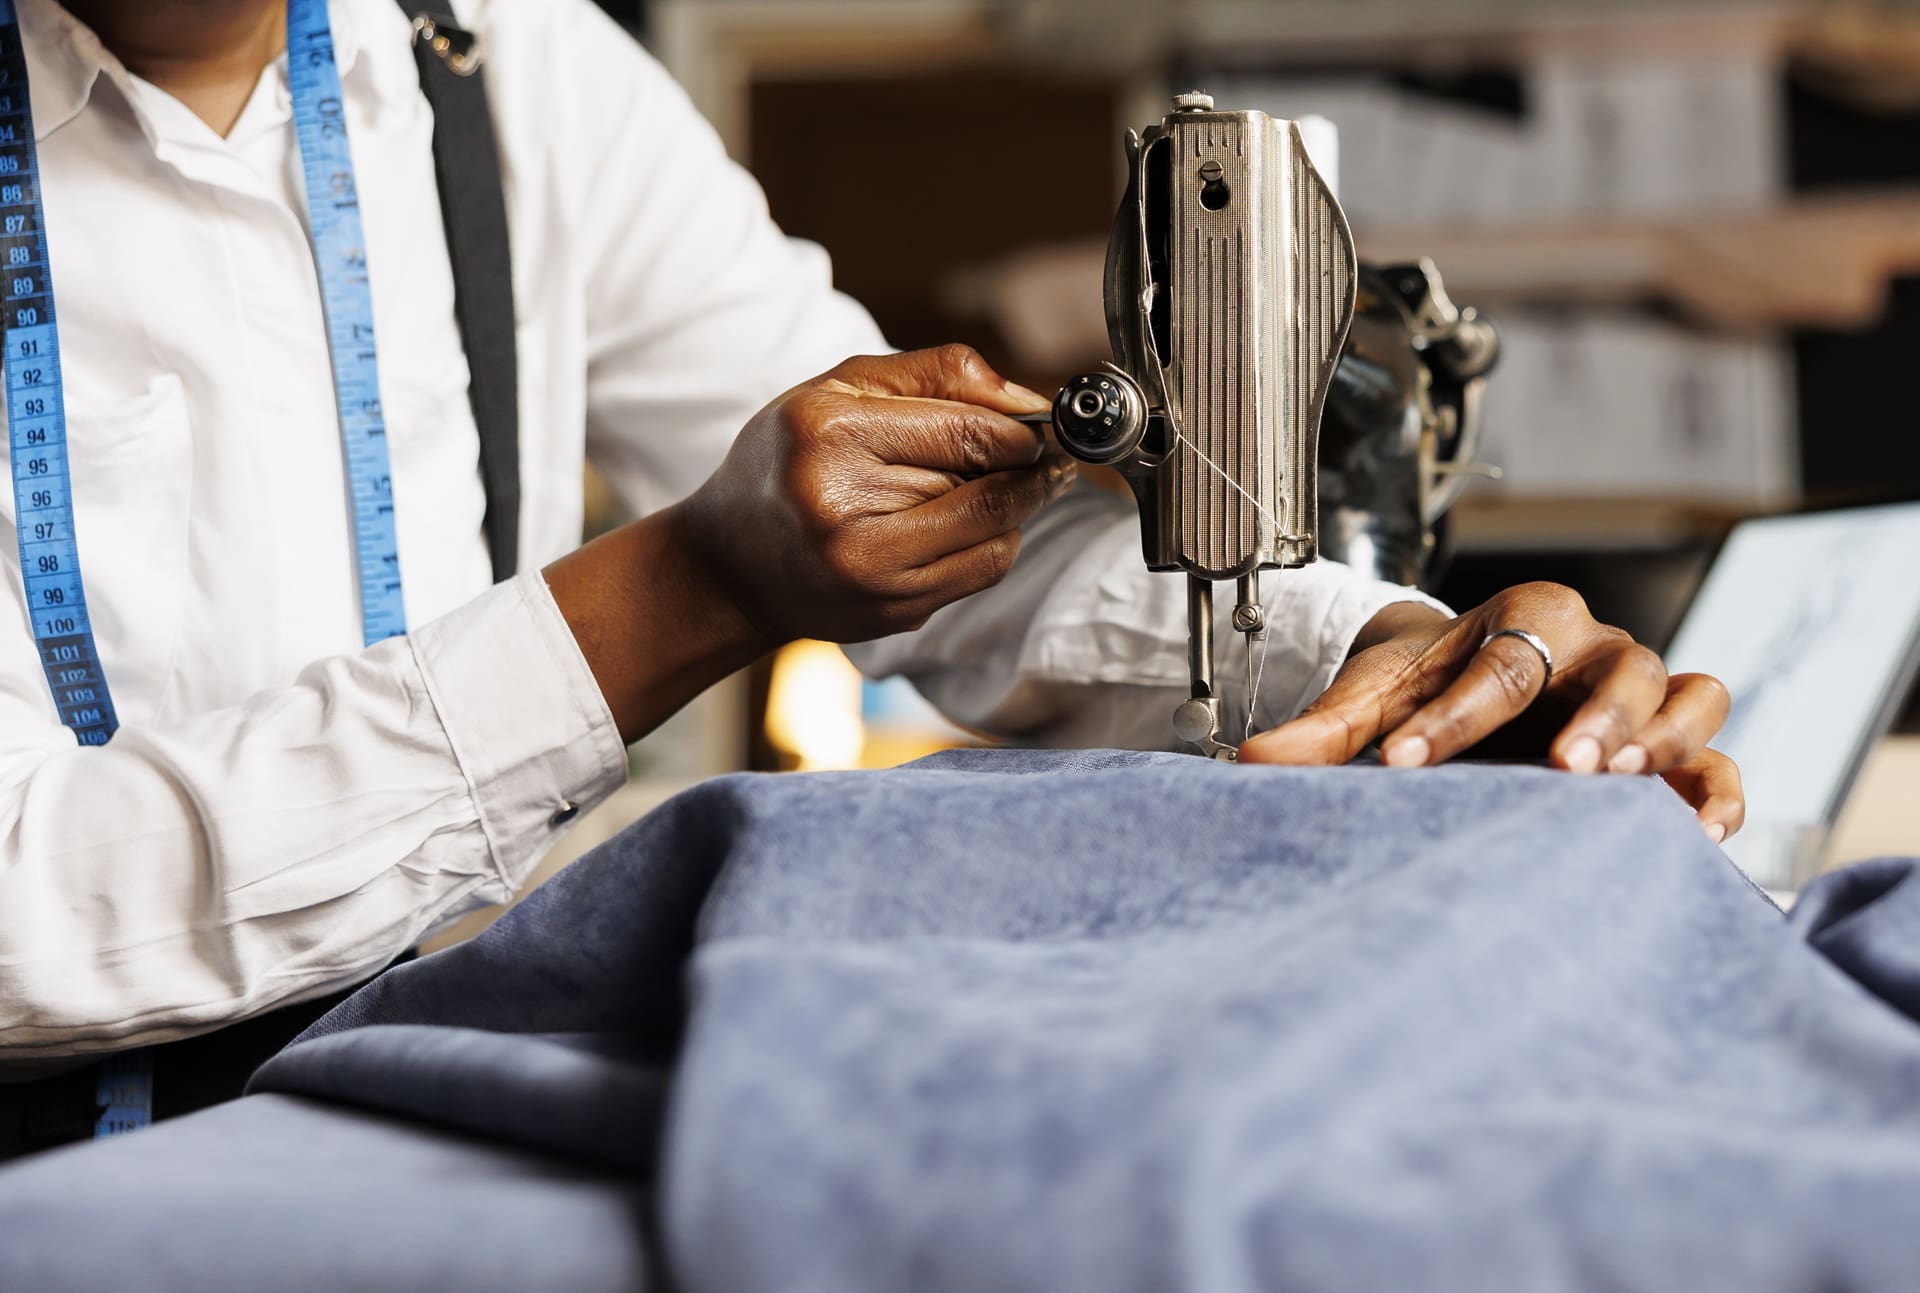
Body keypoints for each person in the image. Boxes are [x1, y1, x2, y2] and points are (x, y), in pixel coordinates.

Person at [0, 0, 1739, 1083]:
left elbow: (953, 559)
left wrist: (1370, 657)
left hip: (424, 1114)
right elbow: (27, 914)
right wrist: (685, 592)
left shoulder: (508, 68)